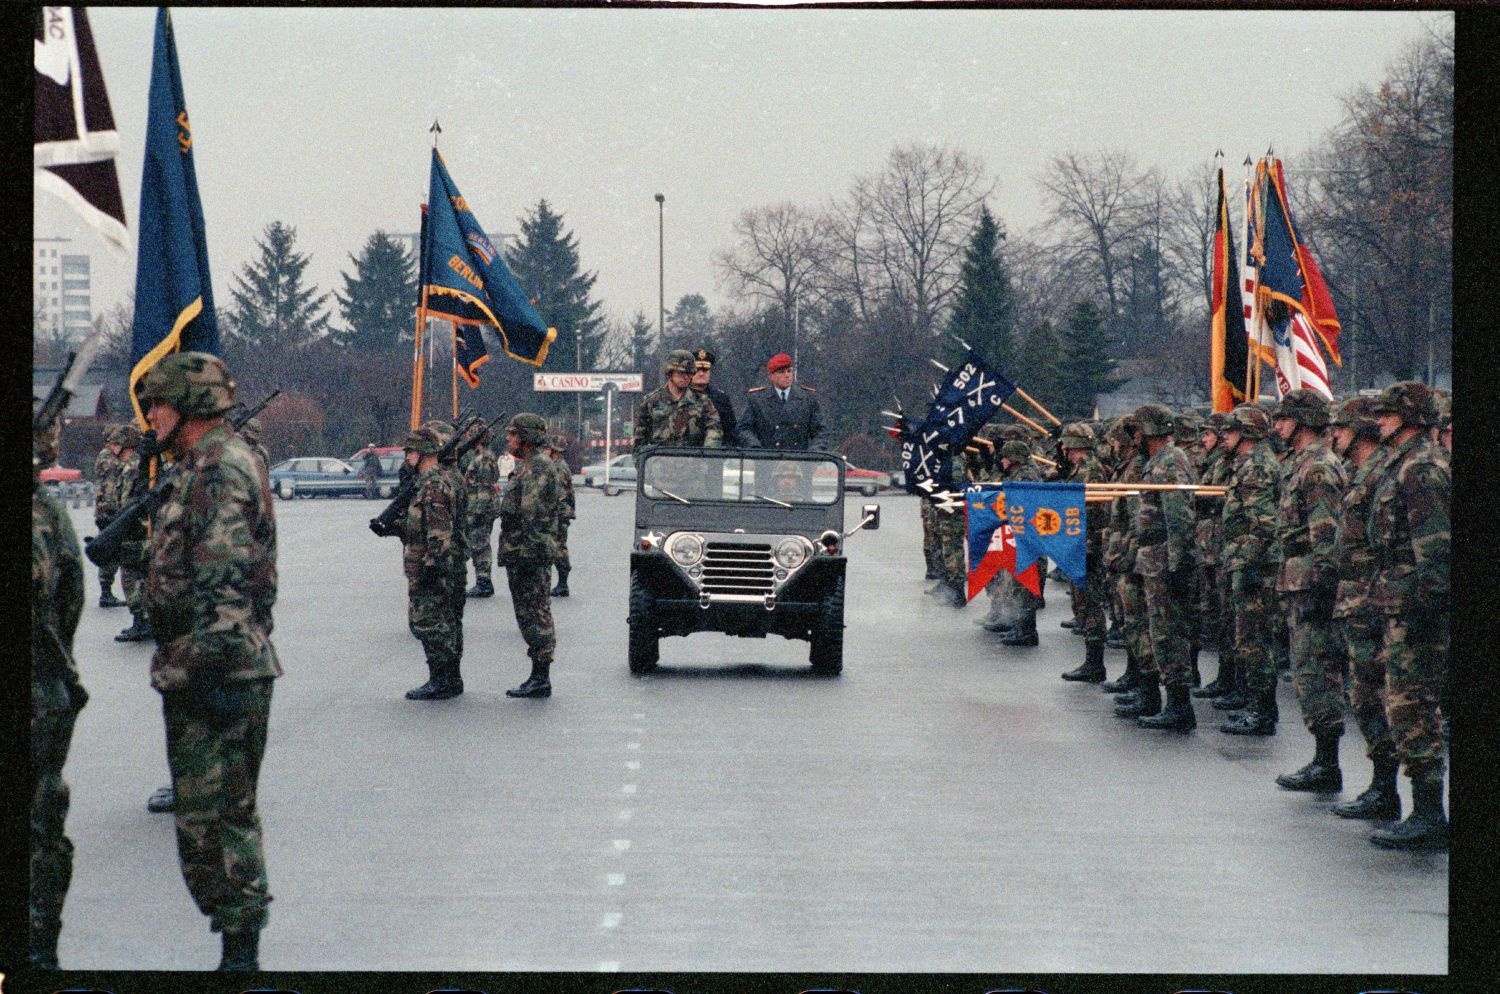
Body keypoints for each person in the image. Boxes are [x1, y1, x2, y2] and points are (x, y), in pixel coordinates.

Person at [137, 352, 281, 971]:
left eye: (158, 405)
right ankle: (236, 938)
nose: (151, 418)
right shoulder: (196, 465)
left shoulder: (221, 466)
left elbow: (225, 581)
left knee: (220, 819)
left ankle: (241, 952)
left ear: (190, 407)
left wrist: (213, 671)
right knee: (207, 824)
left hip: (217, 669)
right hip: (200, 663)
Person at [1366, 382, 1450, 850]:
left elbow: (1436, 548)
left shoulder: (1421, 469)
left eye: (1388, 414)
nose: (1379, 420)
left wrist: (1428, 607)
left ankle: (1428, 813)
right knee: (1402, 703)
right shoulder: (1403, 464)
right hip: (1400, 601)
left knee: (1412, 706)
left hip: (1417, 607)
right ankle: (1421, 807)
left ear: (1411, 417)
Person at [1269, 390, 1350, 792]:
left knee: (1318, 671)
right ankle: (1322, 759)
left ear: (1301, 422)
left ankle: (1328, 763)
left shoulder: (1317, 467)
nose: (1278, 426)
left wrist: (1323, 585)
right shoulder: (1301, 464)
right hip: (1298, 581)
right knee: (1308, 671)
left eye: (1284, 419)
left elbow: (1326, 534)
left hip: (1312, 583)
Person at [31, 424, 88, 970]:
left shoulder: (36, 512)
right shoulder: (47, 507)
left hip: (36, 692)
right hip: (46, 684)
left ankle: (38, 948)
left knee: (37, 824)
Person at [1327, 397, 1400, 820]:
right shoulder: (1361, 472)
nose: (1334, 434)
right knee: (1366, 696)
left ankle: (1390, 791)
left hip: (1376, 598)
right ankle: (1381, 786)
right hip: (1358, 597)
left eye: (1342, 427)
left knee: (1382, 696)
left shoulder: (1383, 474)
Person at [1124, 403, 1197, 732]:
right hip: (1151, 557)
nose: (1134, 438)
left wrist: (1177, 564)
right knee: (1157, 630)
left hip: (1163, 558)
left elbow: (1178, 517)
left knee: (1168, 632)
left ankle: (1179, 705)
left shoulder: (1170, 461)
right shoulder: (1155, 461)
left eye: (1137, 431)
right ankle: (1167, 699)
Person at [1216, 405, 1283, 736]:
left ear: (1244, 433)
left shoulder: (1255, 467)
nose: (1224, 438)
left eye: (1229, 432)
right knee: (1251, 638)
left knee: (1253, 640)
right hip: (1248, 559)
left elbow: (1263, 523)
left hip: (1254, 564)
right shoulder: (1248, 465)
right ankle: (1258, 705)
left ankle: (1262, 711)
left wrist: (1249, 565)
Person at [399, 421, 468, 699]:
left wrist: (432, 567)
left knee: (431, 622)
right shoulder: (428, 482)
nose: (407, 457)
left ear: (424, 453)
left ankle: (441, 680)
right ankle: (448, 678)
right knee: (442, 622)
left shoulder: (434, 484)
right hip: (430, 564)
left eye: (410, 451)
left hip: (432, 568)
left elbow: (439, 533)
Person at [498, 413, 565, 699]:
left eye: (514, 435)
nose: (509, 439)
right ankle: (537, 675)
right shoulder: (527, 465)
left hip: (530, 552)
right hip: (522, 550)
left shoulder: (538, 466)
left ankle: (541, 677)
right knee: (527, 613)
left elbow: (531, 513)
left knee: (535, 612)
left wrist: (525, 551)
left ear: (526, 438)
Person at [1058, 423, 1111, 681]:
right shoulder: (1081, 469)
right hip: (1080, 542)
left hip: (1088, 543)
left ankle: (1095, 663)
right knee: (1082, 602)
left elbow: (1091, 509)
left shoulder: (1090, 470)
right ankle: (1092, 660)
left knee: (1090, 603)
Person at [634, 349, 723, 464]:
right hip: (661, 471)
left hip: (693, 470)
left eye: (690, 373)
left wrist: (707, 456)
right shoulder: (651, 402)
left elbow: (714, 428)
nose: (686, 377)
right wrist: (643, 467)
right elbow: (639, 439)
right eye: (681, 373)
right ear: (670, 372)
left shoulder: (702, 401)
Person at [113, 423, 155, 644]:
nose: (113, 446)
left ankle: (141, 621)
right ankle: (145, 619)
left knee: (131, 574)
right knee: (141, 573)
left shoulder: (131, 466)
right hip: (138, 526)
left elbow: (131, 500)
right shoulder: (137, 462)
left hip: (133, 528)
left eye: (117, 442)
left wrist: (117, 523)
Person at [741, 352, 826, 451]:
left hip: (800, 461)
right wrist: (756, 449)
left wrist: (814, 452)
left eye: (789, 371)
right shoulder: (757, 400)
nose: (787, 375)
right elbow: (744, 429)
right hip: (767, 459)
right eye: (781, 372)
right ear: (771, 376)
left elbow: (821, 430)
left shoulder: (808, 398)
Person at [461, 427, 501, 599]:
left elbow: (484, 486)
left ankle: (484, 583)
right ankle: (483, 581)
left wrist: (477, 512)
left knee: (480, 544)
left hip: (480, 508)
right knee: (478, 543)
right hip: (479, 505)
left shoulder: (484, 458)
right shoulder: (480, 456)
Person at [91, 424, 126, 607]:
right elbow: (111, 486)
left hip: (105, 509)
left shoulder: (105, 455)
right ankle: (106, 593)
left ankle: (107, 591)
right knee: (110, 551)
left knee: (110, 549)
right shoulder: (108, 457)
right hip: (108, 510)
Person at [544, 434, 577, 597]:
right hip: (561, 512)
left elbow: (559, 495)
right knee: (558, 547)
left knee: (558, 548)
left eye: (548, 448)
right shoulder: (559, 465)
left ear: (554, 450)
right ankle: (561, 584)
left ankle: (563, 584)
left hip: (558, 513)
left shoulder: (558, 468)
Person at [690, 347, 741, 446]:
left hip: (714, 454)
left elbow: (731, 430)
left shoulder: (721, 398)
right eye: (697, 370)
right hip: (684, 455)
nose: (701, 374)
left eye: (705, 370)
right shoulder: (681, 396)